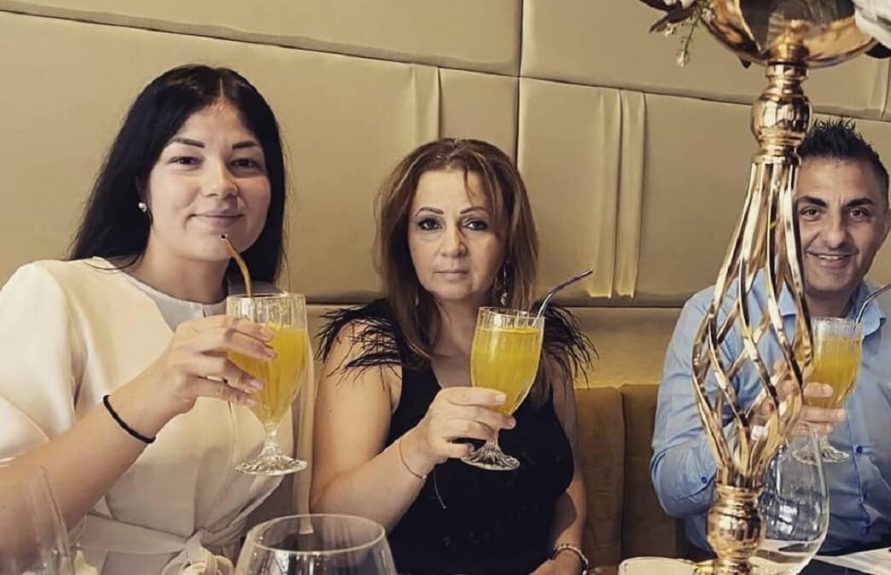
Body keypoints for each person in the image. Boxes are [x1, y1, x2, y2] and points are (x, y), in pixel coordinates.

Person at [651, 119, 891, 556]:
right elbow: (671, 488)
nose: (835, 235)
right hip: (753, 562)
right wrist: (757, 431)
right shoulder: (718, 315)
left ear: (884, 226)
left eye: (858, 213)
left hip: (874, 560)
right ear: (777, 220)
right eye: (811, 211)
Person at [0, 64, 297, 574]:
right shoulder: (55, 293)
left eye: (245, 163)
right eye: (187, 159)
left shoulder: (274, 314)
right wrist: (151, 394)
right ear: (143, 184)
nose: (221, 184)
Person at [311, 138, 593, 575]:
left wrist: (568, 556)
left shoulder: (539, 340)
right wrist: (419, 446)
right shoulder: (369, 344)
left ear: (507, 240)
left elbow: (568, 476)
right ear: (405, 241)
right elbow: (333, 532)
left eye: (475, 224)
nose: (452, 246)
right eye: (429, 224)